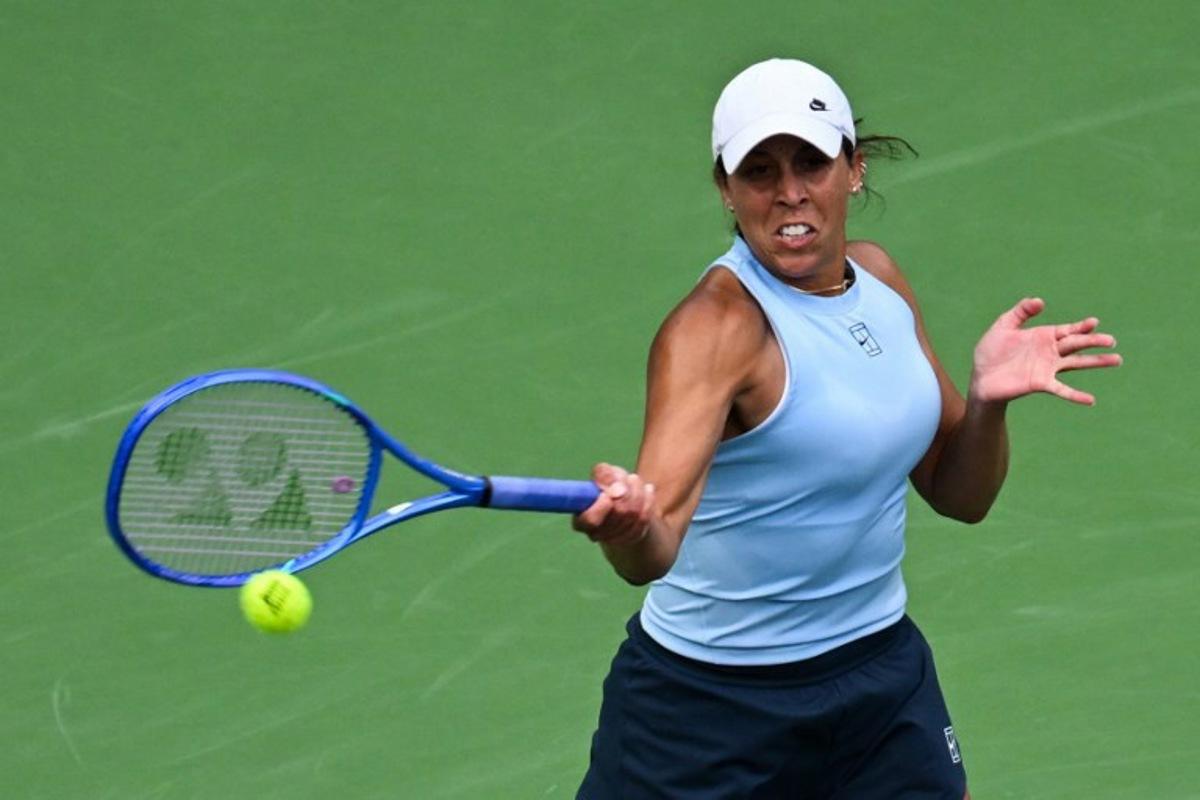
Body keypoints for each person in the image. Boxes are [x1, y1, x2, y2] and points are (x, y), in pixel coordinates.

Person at [571, 59, 1121, 799]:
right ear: (726, 190)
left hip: (879, 686)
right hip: (707, 711)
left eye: (811, 162)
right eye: (758, 171)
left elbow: (961, 494)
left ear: (853, 170)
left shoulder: (880, 281)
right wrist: (628, 527)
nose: (790, 192)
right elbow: (653, 546)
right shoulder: (715, 328)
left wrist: (987, 402)